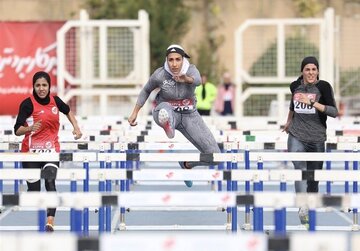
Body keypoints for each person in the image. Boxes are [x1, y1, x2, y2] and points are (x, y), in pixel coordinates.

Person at [128, 44, 221, 187]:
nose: (174, 64)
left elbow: (197, 81)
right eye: (171, 60)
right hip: (164, 111)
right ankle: (168, 125)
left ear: (183, 59)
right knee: (165, 109)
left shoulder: (191, 70)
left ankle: (187, 164)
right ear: (166, 60)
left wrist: (186, 79)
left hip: (189, 116)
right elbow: (146, 90)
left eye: (178, 59)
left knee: (216, 156)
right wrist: (135, 112)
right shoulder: (160, 74)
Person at [14, 71, 82, 232]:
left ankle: (50, 221)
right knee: (35, 191)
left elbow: (67, 111)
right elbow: (17, 130)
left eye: (44, 85)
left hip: (51, 150)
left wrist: (76, 127)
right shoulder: (27, 104)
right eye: (38, 85)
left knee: (50, 182)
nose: (41, 88)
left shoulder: (55, 101)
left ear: (49, 86)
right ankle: (33, 194)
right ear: (33, 87)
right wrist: (30, 128)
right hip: (30, 153)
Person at [283, 56, 338, 228]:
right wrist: (288, 122)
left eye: (314, 69)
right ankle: (302, 206)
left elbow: (334, 112)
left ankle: (308, 211)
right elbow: (293, 105)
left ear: (318, 71)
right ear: (302, 71)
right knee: (300, 169)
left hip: (317, 138)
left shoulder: (323, 87)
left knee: (313, 180)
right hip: (296, 135)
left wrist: (313, 103)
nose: (311, 72)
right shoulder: (295, 86)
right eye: (307, 69)